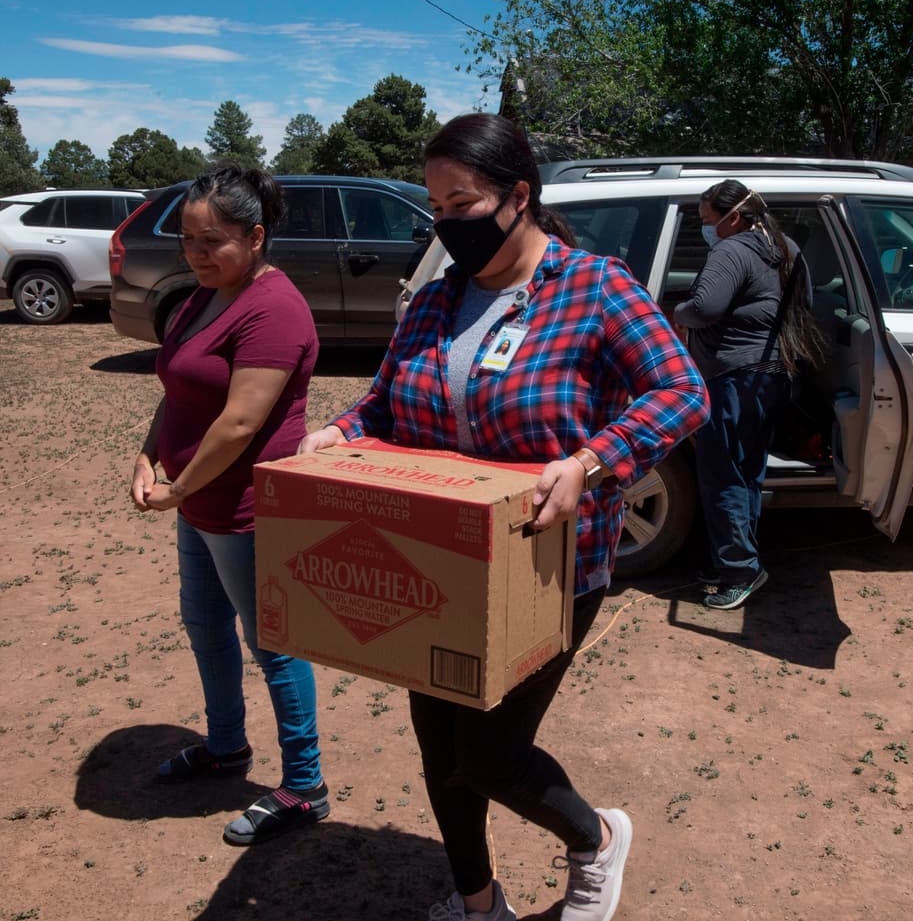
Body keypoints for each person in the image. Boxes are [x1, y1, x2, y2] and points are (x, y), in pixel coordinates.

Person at [298, 113, 707, 921]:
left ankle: (596, 839)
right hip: (432, 557)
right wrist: (340, 432)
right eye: (436, 209)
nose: (447, 225)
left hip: (549, 566)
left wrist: (593, 460)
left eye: (463, 204)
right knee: (438, 749)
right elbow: (386, 402)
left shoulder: (594, 288)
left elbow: (682, 391)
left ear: (519, 197)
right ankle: (477, 901)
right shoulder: (432, 302)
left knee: (489, 754)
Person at [130, 163, 327, 846]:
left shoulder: (274, 307)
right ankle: (226, 746)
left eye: (213, 241)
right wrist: (149, 454)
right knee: (204, 626)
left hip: (248, 509)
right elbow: (179, 388)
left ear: (257, 236)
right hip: (195, 504)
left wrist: (179, 487)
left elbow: (241, 422)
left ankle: (304, 785)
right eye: (187, 239)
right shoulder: (199, 296)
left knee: (272, 643)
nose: (197, 254)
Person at [673, 180, 823, 610]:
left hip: (734, 376)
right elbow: (805, 301)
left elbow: (703, 308)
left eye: (706, 221)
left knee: (722, 473)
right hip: (772, 374)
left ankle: (740, 570)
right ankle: (734, 559)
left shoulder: (732, 250)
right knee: (747, 470)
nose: (706, 229)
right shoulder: (784, 246)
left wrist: (678, 312)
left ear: (733, 217)